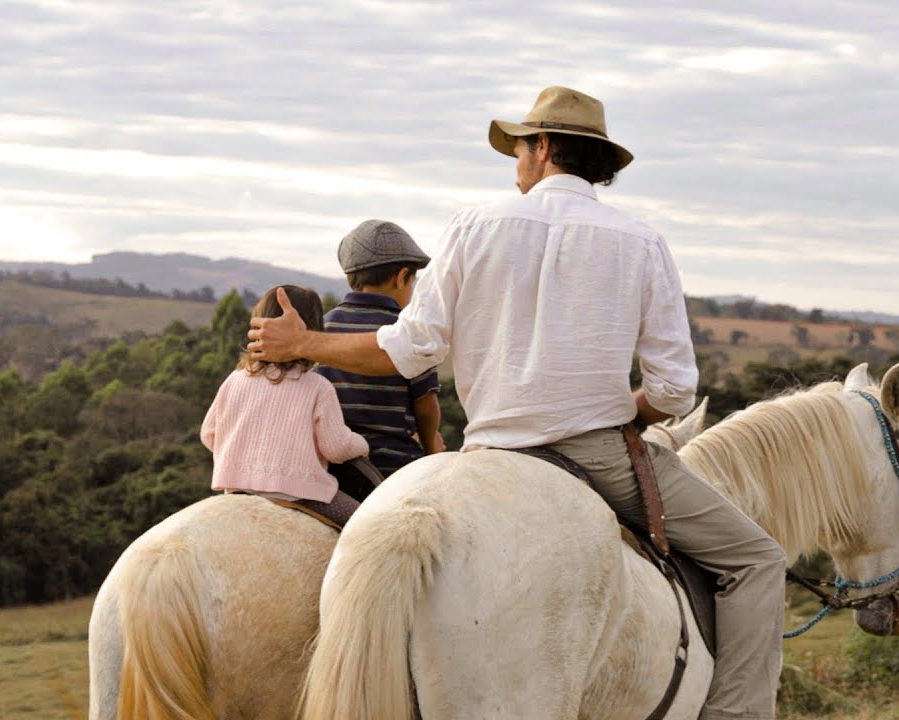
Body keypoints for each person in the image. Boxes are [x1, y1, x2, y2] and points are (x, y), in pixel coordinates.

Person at [248, 86, 786, 719]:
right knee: (757, 559)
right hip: (598, 455)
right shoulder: (642, 242)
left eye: (521, 147)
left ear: (546, 147)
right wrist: (630, 413)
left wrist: (307, 341)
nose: (517, 162)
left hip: (490, 453)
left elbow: (411, 349)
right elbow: (674, 389)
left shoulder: (473, 225)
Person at [202, 284, 369, 527]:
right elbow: (335, 448)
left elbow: (208, 435)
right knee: (366, 526)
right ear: (312, 329)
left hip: (237, 493)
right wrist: (361, 444)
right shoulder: (317, 386)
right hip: (301, 495)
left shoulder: (235, 379)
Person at [317, 219, 444, 479]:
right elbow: (426, 406)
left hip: (327, 466)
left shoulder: (321, 327)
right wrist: (431, 451)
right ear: (401, 278)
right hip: (393, 469)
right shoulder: (407, 332)